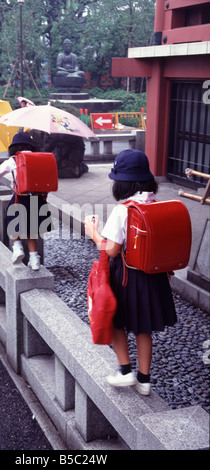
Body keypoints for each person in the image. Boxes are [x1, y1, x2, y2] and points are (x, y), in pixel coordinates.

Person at [84, 149, 177, 396]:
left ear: (122, 183)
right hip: (153, 276)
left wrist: (93, 231)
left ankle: (125, 371)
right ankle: (144, 380)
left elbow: (111, 250)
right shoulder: (155, 204)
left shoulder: (123, 210)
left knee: (116, 320)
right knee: (143, 327)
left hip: (127, 276)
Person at [0, 132, 52, 271]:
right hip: (37, 198)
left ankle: (17, 248)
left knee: (11, 221)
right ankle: (34, 260)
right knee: (32, 229)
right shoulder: (38, 158)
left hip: (20, 198)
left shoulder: (14, 160)